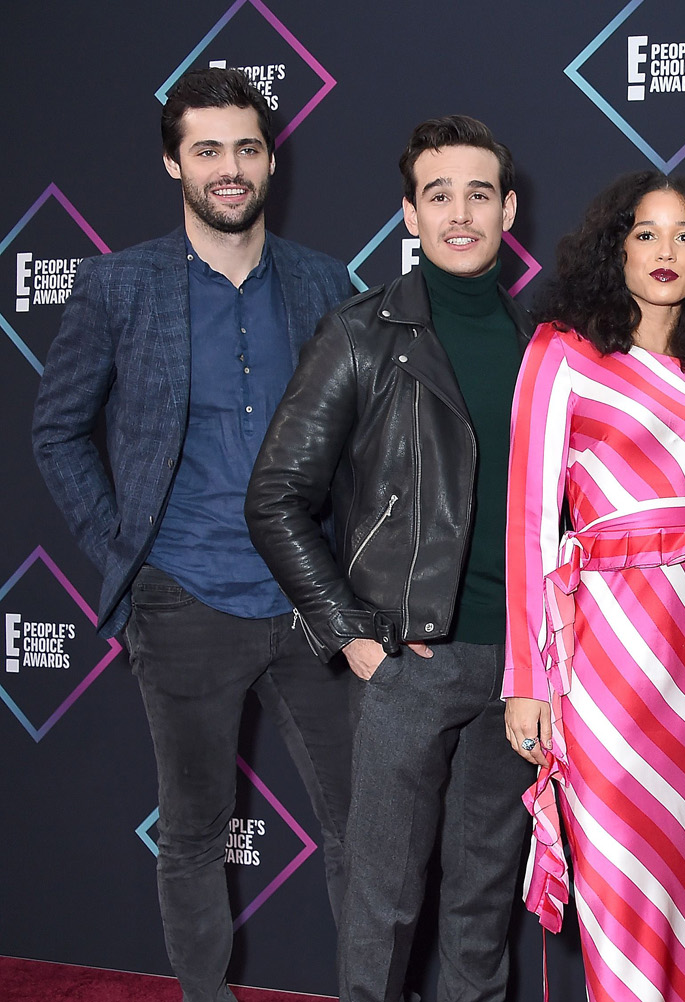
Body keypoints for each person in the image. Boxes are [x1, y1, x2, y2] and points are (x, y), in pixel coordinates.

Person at [31, 67, 353, 1002]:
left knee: (364, 827)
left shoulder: (323, 282)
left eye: (246, 148)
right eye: (207, 150)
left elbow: (364, 442)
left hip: (308, 604)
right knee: (194, 832)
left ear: (271, 160)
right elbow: (58, 430)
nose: (230, 168)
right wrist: (126, 556)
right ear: (174, 163)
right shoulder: (118, 285)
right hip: (180, 602)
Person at [244, 116, 536, 1002]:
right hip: (408, 662)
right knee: (384, 906)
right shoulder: (361, 334)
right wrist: (353, 635)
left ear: (508, 209)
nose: (460, 213)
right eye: (439, 195)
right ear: (410, 213)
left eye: (478, 194)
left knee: (483, 905)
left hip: (518, 671)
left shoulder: (544, 345)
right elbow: (276, 496)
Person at [501, 170, 685, 1002]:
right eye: (645, 233)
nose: (665, 251)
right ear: (615, 247)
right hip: (604, 657)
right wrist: (526, 681)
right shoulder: (563, 350)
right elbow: (530, 520)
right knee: (617, 872)